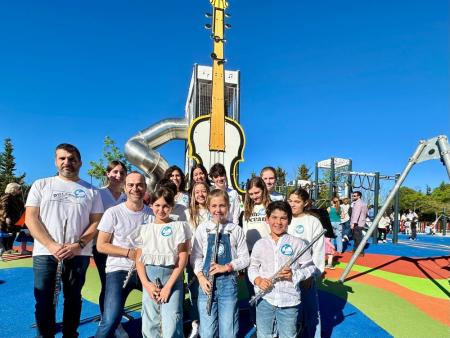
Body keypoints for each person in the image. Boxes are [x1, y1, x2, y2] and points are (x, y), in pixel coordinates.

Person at [25, 143, 103, 337]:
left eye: (72, 159)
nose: (67, 162)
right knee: (44, 300)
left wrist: (79, 245)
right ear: (56, 161)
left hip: (78, 254)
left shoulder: (92, 191)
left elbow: (96, 222)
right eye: (62, 158)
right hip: (45, 253)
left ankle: (70, 334)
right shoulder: (41, 185)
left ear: (80, 163)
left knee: (73, 299)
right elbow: (31, 218)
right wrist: (51, 245)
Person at [95, 172, 154, 338]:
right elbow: (101, 245)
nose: (135, 188)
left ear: (145, 187)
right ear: (125, 188)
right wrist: (129, 253)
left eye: (139, 185)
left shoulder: (152, 214)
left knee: (163, 305)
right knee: (111, 318)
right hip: (118, 270)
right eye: (131, 185)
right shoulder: (113, 213)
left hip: (145, 271)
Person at [248, 201, 318, 338]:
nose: (278, 222)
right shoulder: (260, 244)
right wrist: (258, 280)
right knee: (264, 335)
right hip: (265, 299)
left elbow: (311, 267)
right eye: (274, 217)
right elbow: (253, 267)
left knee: (288, 335)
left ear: (289, 221)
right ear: (267, 219)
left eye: (283, 218)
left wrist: (294, 275)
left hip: (289, 301)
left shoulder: (298, 243)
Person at [132, 186, 191, 338]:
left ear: (171, 207)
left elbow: (182, 258)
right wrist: (147, 284)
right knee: (150, 321)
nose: (161, 209)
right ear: (151, 205)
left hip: (172, 278)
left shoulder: (179, 226)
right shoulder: (145, 229)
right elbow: (139, 259)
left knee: (172, 321)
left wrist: (168, 287)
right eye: (157, 205)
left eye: (165, 206)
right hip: (150, 279)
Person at [191, 189, 250, 338]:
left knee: (228, 331)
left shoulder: (235, 230)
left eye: (222, 206)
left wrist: (227, 267)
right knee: (208, 332)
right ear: (209, 207)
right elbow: (196, 257)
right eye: (214, 206)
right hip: (206, 285)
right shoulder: (202, 228)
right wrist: (200, 277)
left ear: (228, 206)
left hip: (228, 285)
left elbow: (245, 258)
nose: (218, 210)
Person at [287, 188, 325, 338]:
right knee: (291, 312)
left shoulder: (312, 222)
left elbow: (318, 251)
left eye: (297, 201)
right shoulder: (285, 218)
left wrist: (311, 274)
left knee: (311, 312)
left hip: (306, 275)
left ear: (306, 203)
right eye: (290, 201)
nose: (293, 204)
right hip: (287, 275)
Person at [95, 160, 127, 327]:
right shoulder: (98, 194)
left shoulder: (126, 197)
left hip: (120, 248)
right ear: (108, 173)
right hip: (101, 247)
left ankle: (114, 315)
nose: (118, 175)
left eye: (121, 173)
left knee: (119, 284)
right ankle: (106, 319)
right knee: (106, 283)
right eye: (115, 172)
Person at [184, 181, 211, 338]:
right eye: (197, 192)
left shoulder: (213, 210)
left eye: (203, 191)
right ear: (193, 195)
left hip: (212, 259)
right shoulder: (188, 213)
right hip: (194, 259)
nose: (200, 194)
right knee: (194, 293)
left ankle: (209, 322)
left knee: (210, 292)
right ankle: (196, 324)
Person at [242, 177, 271, 252]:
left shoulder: (271, 206)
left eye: (257, 193)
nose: (254, 196)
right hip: (251, 249)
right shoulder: (247, 209)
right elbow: (245, 231)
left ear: (263, 190)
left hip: (268, 248)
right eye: (251, 194)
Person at [0, 182, 25, 255]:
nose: (20, 190)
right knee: (7, 234)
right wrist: (6, 216)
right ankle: (5, 249)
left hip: (14, 220)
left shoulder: (15, 198)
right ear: (13, 189)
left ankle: (9, 248)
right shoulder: (7, 196)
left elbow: (21, 206)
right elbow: (4, 206)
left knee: (13, 234)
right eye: (18, 189)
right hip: (7, 220)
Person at [350, 191, 368, 255]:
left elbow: (356, 214)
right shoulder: (363, 203)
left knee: (357, 238)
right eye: (353, 195)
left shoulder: (358, 203)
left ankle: (360, 252)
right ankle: (355, 250)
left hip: (357, 223)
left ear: (359, 196)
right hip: (361, 222)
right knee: (356, 237)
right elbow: (366, 213)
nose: (353, 197)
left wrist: (353, 223)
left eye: (354, 196)